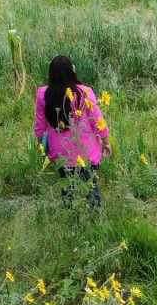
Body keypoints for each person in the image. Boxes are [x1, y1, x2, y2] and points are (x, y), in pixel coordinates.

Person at [33, 55, 108, 207]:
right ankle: (95, 215)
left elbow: (39, 128)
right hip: (86, 152)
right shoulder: (84, 92)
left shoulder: (43, 94)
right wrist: (106, 142)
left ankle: (70, 213)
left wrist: (42, 146)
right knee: (91, 187)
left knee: (67, 187)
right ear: (72, 71)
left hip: (61, 153)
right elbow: (98, 121)